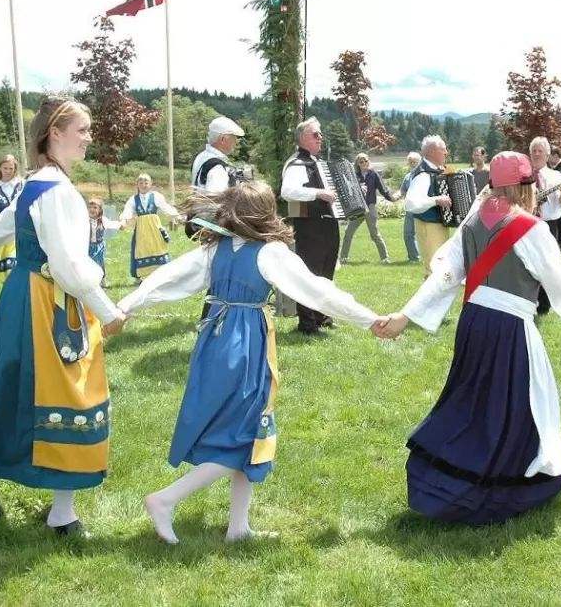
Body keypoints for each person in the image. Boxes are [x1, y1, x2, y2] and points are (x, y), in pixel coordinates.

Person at [116, 182, 382, 543]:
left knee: (249, 426)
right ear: (265, 212)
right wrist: (370, 319)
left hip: (215, 339)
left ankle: (238, 527)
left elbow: (169, 277)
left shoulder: (216, 249)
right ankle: (166, 499)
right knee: (244, 433)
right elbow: (318, 291)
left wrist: (126, 305)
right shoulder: (269, 252)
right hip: (244, 343)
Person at [374, 151, 561, 524]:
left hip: (474, 322)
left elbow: (445, 275)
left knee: (471, 400)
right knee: (512, 404)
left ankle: (448, 472)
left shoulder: (472, 222)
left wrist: (405, 316)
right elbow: (557, 281)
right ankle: (499, 479)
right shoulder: (532, 228)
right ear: (527, 186)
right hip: (509, 327)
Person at [0, 97, 126, 536]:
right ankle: (38, 503)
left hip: (28, 298)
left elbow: (0, 225)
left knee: (17, 389)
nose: (88, 138)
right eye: (82, 130)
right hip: (49, 301)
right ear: (55, 133)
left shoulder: (39, 183)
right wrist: (108, 311)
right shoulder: (56, 190)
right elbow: (67, 263)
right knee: (64, 394)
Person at [281, 118, 340, 334]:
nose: (320, 138)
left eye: (320, 134)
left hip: (327, 225)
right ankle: (307, 322)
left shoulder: (316, 163)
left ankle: (321, 316)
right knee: (310, 273)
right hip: (310, 227)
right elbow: (287, 191)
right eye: (316, 134)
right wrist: (318, 193)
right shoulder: (297, 163)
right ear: (303, 138)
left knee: (326, 272)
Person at [529, 136, 561, 315]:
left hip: (548, 224)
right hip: (528, 224)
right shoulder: (523, 175)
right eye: (534, 151)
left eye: (540, 151)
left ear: (548, 155)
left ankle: (544, 304)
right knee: (527, 262)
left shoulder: (557, 177)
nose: (537, 154)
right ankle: (528, 300)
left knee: (547, 264)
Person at [404, 135, 453, 275]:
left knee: (440, 268)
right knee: (434, 270)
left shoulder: (437, 170)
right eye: (443, 149)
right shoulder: (423, 174)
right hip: (429, 226)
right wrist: (436, 200)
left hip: (438, 225)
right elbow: (410, 204)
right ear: (432, 151)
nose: (446, 152)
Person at [121, 174, 182, 281]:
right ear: (137, 185)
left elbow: (165, 207)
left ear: (150, 184)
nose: (144, 185)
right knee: (141, 248)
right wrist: (123, 220)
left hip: (155, 227)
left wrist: (177, 215)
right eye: (141, 183)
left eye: (146, 182)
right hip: (141, 229)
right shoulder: (133, 199)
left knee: (158, 247)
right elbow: (128, 211)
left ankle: (163, 274)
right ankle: (140, 275)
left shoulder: (156, 196)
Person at [340, 152, 393, 264]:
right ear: (358, 164)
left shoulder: (373, 174)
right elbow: (349, 191)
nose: (364, 163)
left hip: (370, 207)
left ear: (368, 161)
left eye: (365, 161)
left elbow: (382, 189)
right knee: (348, 232)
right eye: (361, 161)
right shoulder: (354, 175)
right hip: (358, 208)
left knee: (375, 235)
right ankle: (343, 258)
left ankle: (385, 258)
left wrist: (391, 198)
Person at [190, 116, 245, 195]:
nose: (236, 142)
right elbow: (215, 203)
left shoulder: (202, 156)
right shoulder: (217, 167)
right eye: (233, 138)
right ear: (223, 139)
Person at [87, 197, 122, 287]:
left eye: (95, 208)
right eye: (90, 207)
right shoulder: (85, 220)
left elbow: (112, 224)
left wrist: (121, 225)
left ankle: (102, 280)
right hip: (87, 246)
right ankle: (89, 280)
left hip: (99, 246)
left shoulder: (103, 220)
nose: (92, 209)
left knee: (99, 262)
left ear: (100, 210)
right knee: (88, 263)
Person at [398, 152, 422, 263]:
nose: (412, 164)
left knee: (422, 234)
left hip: (421, 209)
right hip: (409, 209)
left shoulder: (423, 176)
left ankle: (424, 257)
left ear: (419, 162)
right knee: (408, 234)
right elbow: (402, 191)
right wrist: (395, 197)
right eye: (411, 162)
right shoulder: (408, 177)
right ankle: (413, 257)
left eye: (415, 162)